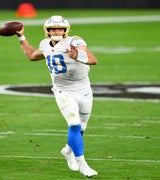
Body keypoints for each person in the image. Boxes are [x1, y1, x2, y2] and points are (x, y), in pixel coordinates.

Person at [15, 16, 98, 177]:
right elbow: (32, 55)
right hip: (62, 91)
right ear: (47, 30)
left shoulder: (76, 41)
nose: (56, 31)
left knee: (81, 128)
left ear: (66, 30)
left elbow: (93, 60)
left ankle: (68, 151)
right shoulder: (44, 44)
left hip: (83, 89)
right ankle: (83, 164)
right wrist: (21, 37)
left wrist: (77, 56)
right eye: (53, 29)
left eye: (60, 28)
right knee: (74, 124)